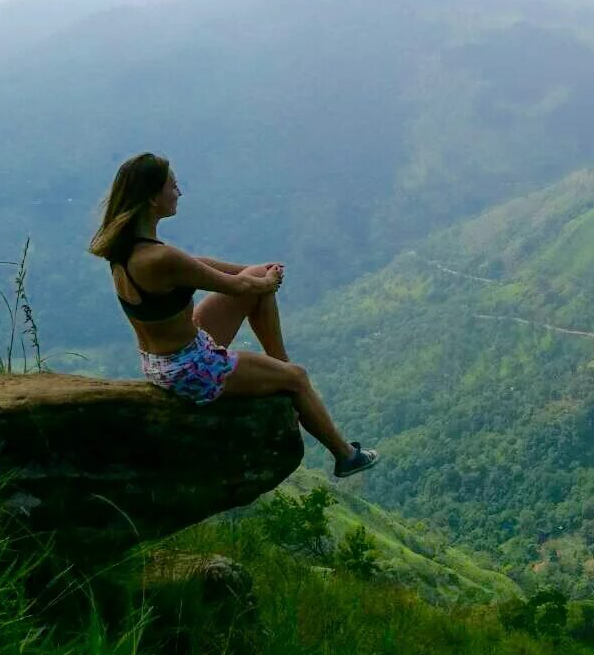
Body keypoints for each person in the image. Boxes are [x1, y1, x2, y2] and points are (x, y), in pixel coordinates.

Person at [87, 151, 378, 478]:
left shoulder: (127, 249)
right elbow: (237, 287)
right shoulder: (160, 258)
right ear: (154, 197)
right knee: (297, 378)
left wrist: (257, 272)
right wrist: (264, 280)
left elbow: (200, 265)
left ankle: (277, 367)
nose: (179, 193)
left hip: (163, 360)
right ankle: (345, 455)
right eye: (173, 186)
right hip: (190, 369)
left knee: (257, 281)